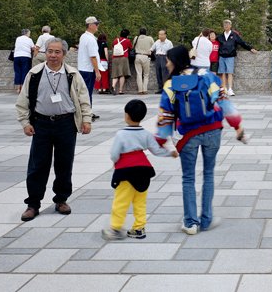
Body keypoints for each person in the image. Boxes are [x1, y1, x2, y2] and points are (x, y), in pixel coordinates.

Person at [157, 45, 244, 235]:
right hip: (212, 130)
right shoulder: (206, 75)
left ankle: (190, 223)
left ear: (176, 61)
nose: (167, 63)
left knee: (188, 178)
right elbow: (223, 100)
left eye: (169, 59)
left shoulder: (171, 84)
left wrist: (163, 140)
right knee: (208, 174)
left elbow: (165, 115)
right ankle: (206, 219)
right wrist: (237, 125)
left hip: (188, 135)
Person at [15, 38, 92, 221]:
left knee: (64, 164)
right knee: (37, 165)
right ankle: (33, 203)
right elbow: (22, 101)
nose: (53, 55)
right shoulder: (34, 74)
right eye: (49, 51)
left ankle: (61, 199)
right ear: (45, 53)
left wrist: (86, 120)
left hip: (66, 124)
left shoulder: (73, 74)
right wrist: (25, 123)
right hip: (41, 124)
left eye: (57, 52)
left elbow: (83, 98)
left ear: (64, 54)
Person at [101, 99, 174, 241]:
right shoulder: (146, 134)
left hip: (126, 170)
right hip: (143, 170)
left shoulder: (121, 134)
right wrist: (170, 153)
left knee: (121, 201)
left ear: (126, 115)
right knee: (140, 201)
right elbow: (156, 150)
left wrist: (115, 163)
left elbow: (114, 154)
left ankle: (115, 227)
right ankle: (139, 228)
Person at [217, 19, 257, 96]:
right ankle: (224, 89)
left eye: (228, 24)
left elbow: (242, 43)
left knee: (230, 73)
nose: (226, 26)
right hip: (222, 56)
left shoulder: (234, 35)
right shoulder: (220, 36)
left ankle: (230, 89)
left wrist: (250, 48)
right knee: (223, 73)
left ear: (230, 26)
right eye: (225, 24)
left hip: (230, 56)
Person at [77, 18, 103, 120]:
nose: (97, 26)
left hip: (83, 68)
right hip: (88, 69)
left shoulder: (83, 37)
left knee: (84, 92)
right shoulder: (90, 39)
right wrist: (97, 71)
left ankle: (87, 112)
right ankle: (87, 114)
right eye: (96, 24)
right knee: (87, 92)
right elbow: (93, 56)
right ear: (90, 25)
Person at [131, 28, 155, 95]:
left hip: (137, 56)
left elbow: (133, 46)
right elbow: (154, 46)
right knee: (146, 75)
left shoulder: (136, 38)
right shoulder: (150, 38)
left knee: (139, 74)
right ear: (146, 32)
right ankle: (145, 90)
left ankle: (140, 90)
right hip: (146, 56)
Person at [13, 28, 35, 93]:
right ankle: (22, 89)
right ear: (27, 33)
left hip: (16, 56)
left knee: (17, 72)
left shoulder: (18, 38)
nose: (29, 35)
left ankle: (17, 88)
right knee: (24, 72)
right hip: (25, 56)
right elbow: (33, 48)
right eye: (29, 33)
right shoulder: (29, 39)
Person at [111, 29, 133, 95]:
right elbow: (131, 48)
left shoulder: (115, 40)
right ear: (127, 35)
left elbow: (112, 47)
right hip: (123, 57)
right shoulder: (127, 41)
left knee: (115, 74)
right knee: (122, 74)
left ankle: (113, 86)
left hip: (115, 58)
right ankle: (120, 90)